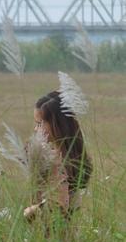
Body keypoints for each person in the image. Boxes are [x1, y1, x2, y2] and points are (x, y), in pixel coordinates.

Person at [23, 91, 92, 221]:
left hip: (53, 235)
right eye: (35, 124)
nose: (36, 129)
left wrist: (30, 211)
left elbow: (58, 207)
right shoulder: (70, 156)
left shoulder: (55, 161)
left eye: (40, 123)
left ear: (57, 125)